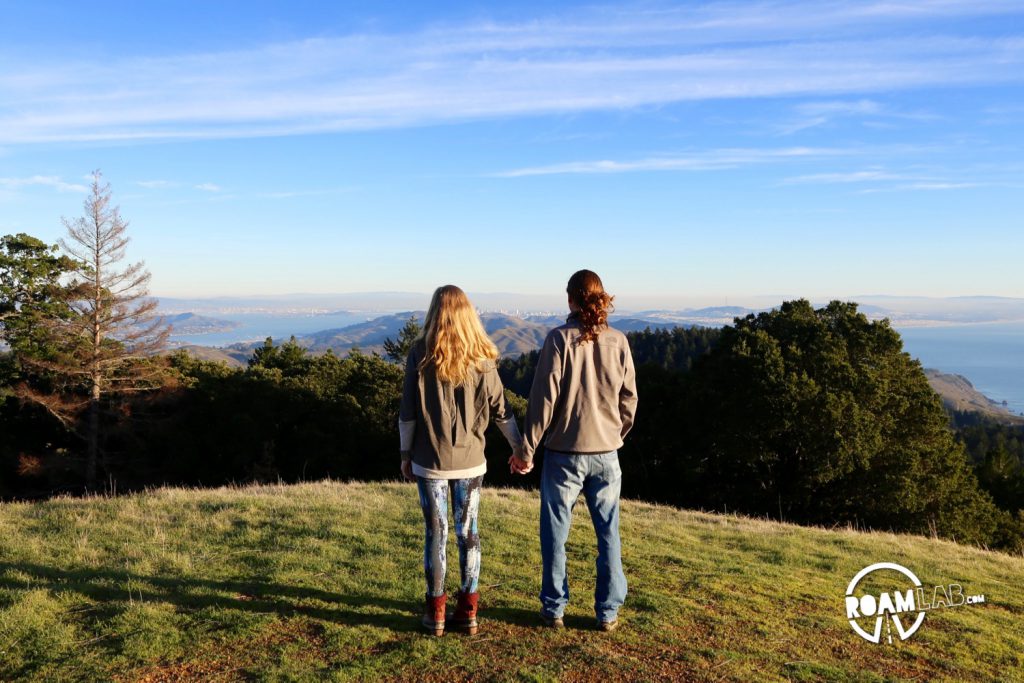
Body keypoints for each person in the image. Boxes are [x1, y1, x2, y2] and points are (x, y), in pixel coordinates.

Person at [510, 269, 638, 631]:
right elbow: (629, 399)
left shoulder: (559, 340)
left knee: (555, 534)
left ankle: (554, 608)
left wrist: (526, 449)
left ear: (570, 299)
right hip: (607, 452)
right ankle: (607, 611)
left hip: (565, 453)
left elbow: (542, 400)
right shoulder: (618, 341)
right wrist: (617, 434)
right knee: (608, 533)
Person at [399, 285, 524, 636]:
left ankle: (435, 612)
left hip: (429, 460)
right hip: (471, 461)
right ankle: (468, 609)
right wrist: (519, 449)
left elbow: (407, 411)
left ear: (435, 311)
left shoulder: (419, 354)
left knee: (435, 534)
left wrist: (405, 454)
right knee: (468, 534)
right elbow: (502, 410)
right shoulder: (483, 357)